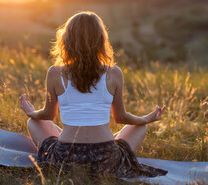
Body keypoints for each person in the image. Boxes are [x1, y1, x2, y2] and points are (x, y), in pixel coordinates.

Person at [19, 11, 167, 178]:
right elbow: (121, 117)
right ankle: (107, 146)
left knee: (33, 122)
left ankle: (72, 146)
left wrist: (31, 112)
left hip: (66, 159)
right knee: (140, 127)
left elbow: (48, 115)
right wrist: (146, 119)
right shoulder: (114, 73)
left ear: (67, 40)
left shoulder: (54, 72)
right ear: (100, 40)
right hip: (106, 160)